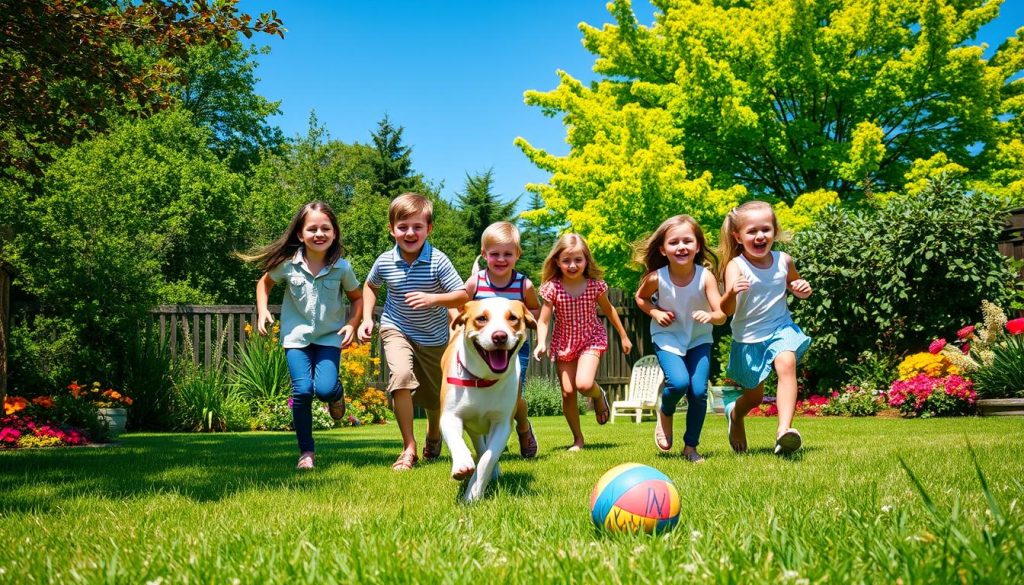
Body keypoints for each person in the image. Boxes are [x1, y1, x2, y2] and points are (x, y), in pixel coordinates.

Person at [246, 201, 362, 470]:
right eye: (312, 229)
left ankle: (336, 394)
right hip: (296, 338)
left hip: (329, 338)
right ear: (300, 234)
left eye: (325, 228)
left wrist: (353, 324)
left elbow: (357, 298)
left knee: (323, 389)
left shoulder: (342, 268)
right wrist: (262, 311)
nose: (319, 234)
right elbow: (264, 283)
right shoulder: (288, 264)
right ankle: (306, 452)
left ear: (334, 233)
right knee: (302, 391)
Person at [357, 192, 468, 471]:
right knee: (401, 378)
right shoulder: (384, 261)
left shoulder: (438, 261)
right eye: (403, 226)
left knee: (434, 397)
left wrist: (434, 299)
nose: (410, 232)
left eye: (417, 227)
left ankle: (433, 432)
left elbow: (463, 295)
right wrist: (368, 317)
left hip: (434, 338)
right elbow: (370, 286)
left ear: (429, 229)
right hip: (396, 327)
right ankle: (408, 448)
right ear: (391, 229)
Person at [718, 201, 813, 455]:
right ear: (738, 236)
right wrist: (730, 293)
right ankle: (735, 415)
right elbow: (726, 311)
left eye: (766, 229)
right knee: (754, 398)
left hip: (781, 328)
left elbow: (794, 285)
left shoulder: (784, 260)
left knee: (787, 363)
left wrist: (802, 288)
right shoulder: (736, 266)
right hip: (748, 339)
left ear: (774, 231)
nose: (760, 236)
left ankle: (784, 431)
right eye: (752, 231)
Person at [634, 215, 726, 463]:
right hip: (667, 337)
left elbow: (721, 315)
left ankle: (690, 448)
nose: (681, 246)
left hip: (698, 339)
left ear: (698, 246)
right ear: (663, 249)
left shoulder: (705, 277)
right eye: (674, 242)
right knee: (679, 382)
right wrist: (655, 312)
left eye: (688, 241)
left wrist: (710, 315)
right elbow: (640, 298)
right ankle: (665, 411)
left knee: (698, 392)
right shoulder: (656, 277)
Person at [534, 233, 632, 451]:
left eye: (578, 260)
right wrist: (542, 342)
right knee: (568, 393)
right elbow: (543, 320)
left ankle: (599, 395)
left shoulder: (595, 286)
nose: (572, 265)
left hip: (591, 338)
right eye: (566, 260)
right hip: (563, 342)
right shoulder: (552, 288)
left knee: (584, 384)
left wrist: (623, 335)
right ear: (557, 262)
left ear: (586, 260)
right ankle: (578, 439)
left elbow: (609, 310)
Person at [462, 221, 541, 458]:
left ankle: (524, 427)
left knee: (514, 398)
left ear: (517, 254)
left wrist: (523, 322)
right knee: (481, 394)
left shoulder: (523, 285)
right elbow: (462, 308)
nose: (501, 259)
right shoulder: (476, 283)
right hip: (481, 350)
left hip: (514, 349)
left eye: (508, 253)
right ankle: (489, 441)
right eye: (494, 254)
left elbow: (535, 311)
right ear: (484, 254)